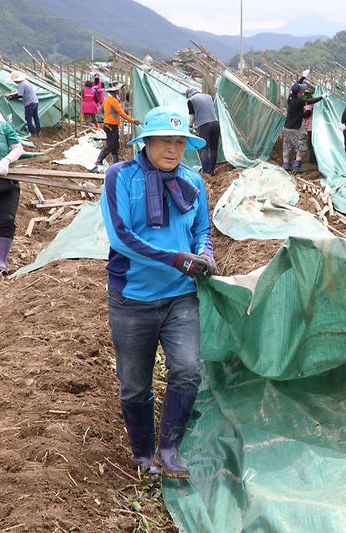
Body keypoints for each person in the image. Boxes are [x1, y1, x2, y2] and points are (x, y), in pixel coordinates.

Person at [100, 105, 217, 479]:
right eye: (164, 141)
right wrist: (175, 259)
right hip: (132, 298)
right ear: (146, 142)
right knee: (135, 384)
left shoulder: (193, 180)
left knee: (187, 370)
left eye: (180, 142)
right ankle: (142, 452)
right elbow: (121, 238)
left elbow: (202, 230)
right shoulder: (120, 177)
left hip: (181, 296)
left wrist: (204, 253)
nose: (172, 149)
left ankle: (169, 448)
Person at [0, 95, 25, 274]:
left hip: (5, 182)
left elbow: (18, 148)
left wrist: (6, 160)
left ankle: (1, 261)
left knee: (6, 220)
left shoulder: (3, 127)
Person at [283, 70, 325, 173]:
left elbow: (295, 86)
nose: (303, 93)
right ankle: (296, 168)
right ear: (298, 93)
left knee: (287, 147)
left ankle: (286, 167)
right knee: (302, 148)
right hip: (295, 129)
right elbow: (310, 101)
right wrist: (322, 97)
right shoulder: (299, 101)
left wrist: (303, 77)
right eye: (302, 92)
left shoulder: (291, 97)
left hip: (286, 127)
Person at [95, 82, 139, 168]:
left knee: (115, 146)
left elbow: (102, 110)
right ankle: (99, 160)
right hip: (110, 125)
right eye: (118, 90)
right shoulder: (113, 101)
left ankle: (116, 163)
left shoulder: (107, 99)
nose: (119, 91)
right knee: (111, 145)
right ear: (115, 91)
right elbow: (121, 113)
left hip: (110, 125)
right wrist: (132, 121)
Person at [185, 88, 220, 176]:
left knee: (204, 148)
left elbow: (192, 116)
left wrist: (190, 126)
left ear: (189, 95)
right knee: (214, 148)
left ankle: (205, 171)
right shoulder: (208, 97)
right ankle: (211, 171)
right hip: (215, 123)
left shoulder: (191, 100)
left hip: (204, 125)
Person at [7, 71, 40, 137]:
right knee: (36, 117)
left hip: (29, 103)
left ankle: (31, 133)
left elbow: (20, 95)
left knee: (28, 118)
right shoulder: (26, 82)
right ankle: (38, 131)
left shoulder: (21, 85)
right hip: (35, 101)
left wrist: (11, 97)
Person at [302, 86, 317, 165]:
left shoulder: (308, 103)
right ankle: (312, 158)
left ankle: (313, 159)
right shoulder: (308, 103)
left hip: (311, 126)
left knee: (311, 142)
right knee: (311, 142)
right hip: (310, 126)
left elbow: (308, 113)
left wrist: (299, 114)